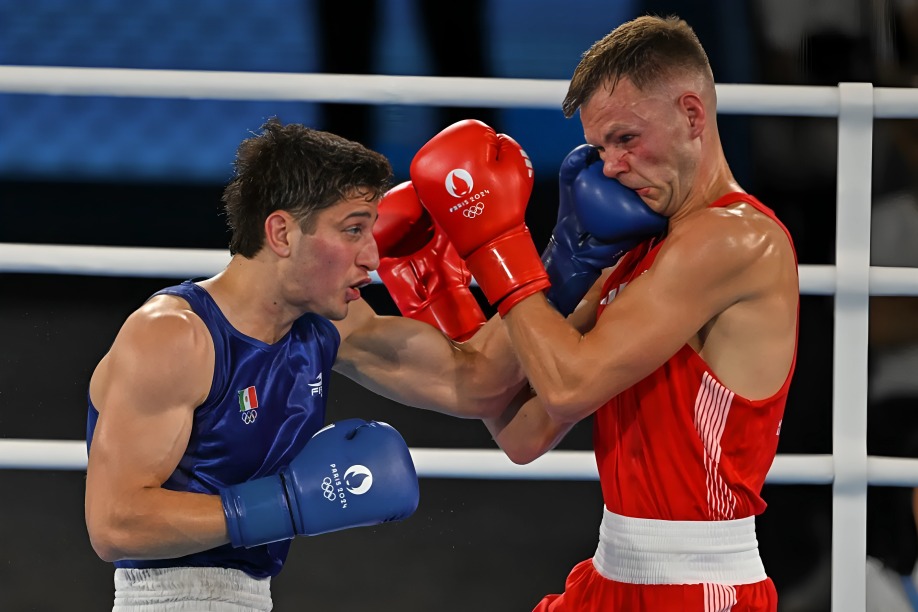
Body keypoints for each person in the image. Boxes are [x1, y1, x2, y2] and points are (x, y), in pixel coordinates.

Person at [409, 15, 800, 611]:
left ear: (692, 116)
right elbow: (522, 432)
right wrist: (453, 301)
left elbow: (567, 388)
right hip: (611, 574)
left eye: (626, 139)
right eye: (598, 148)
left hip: (697, 587)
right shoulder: (639, 251)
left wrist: (496, 246)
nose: (611, 166)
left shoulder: (734, 239)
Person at [83, 118, 529, 610]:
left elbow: (478, 384)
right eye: (353, 229)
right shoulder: (173, 335)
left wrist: (572, 255)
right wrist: (286, 505)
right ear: (282, 233)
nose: (374, 257)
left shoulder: (328, 325)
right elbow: (116, 524)